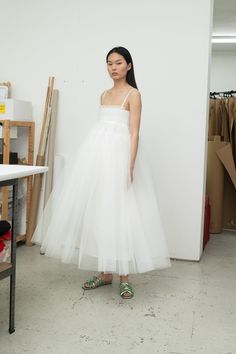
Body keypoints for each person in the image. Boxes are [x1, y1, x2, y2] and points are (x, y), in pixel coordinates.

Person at [32, 46, 171, 300]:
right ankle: (106, 273)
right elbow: (102, 128)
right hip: (98, 158)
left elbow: (134, 132)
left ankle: (125, 277)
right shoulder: (104, 95)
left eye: (118, 62)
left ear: (129, 65)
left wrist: (129, 164)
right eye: (109, 63)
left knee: (123, 213)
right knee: (100, 213)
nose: (113, 67)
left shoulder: (133, 94)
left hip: (120, 158)